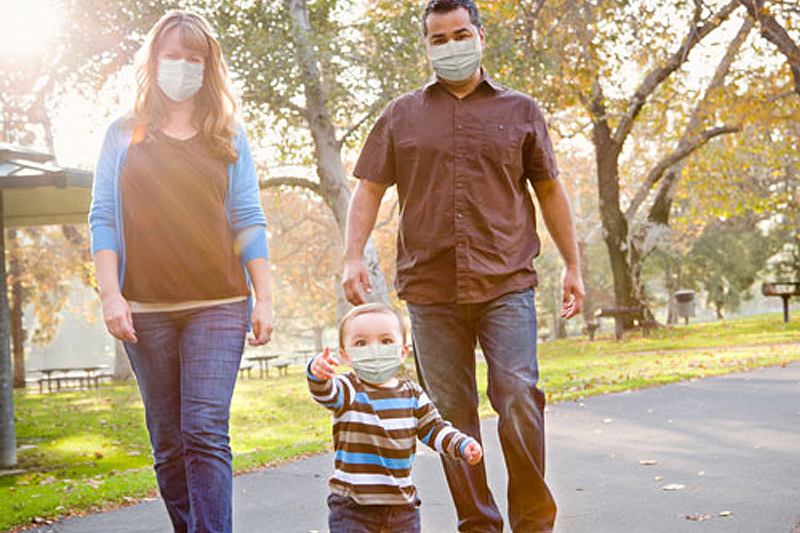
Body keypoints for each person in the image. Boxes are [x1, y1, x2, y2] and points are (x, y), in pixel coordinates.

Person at [341, 1, 585, 531]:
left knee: (518, 396)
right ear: (426, 45)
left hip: (507, 282)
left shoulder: (521, 110)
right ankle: (478, 522)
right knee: (452, 416)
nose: (450, 46)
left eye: (459, 34)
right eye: (438, 38)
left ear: (479, 35)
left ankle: (533, 521)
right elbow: (368, 190)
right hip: (430, 289)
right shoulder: (400, 114)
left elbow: (549, 190)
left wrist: (573, 264)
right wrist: (352, 254)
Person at [89, 10, 273, 533]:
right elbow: (102, 215)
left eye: (194, 59)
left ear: (208, 67)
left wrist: (265, 297)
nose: (183, 67)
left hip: (219, 303)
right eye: (173, 56)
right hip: (144, 308)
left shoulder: (227, 135)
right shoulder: (122, 135)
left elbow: (248, 218)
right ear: (153, 60)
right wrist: (110, 295)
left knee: (205, 428)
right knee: (169, 442)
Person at [307, 302, 484, 533]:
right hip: (353, 506)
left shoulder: (413, 394)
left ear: (402, 352)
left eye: (386, 341)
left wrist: (461, 443)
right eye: (361, 343)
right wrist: (317, 373)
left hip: (402, 507)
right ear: (345, 355)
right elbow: (327, 394)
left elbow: (435, 429)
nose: (375, 349)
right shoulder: (349, 389)